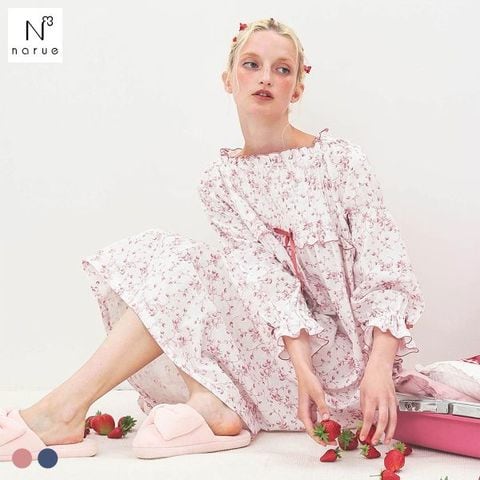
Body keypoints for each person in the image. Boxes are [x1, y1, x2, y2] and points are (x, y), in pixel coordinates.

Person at [1, 17, 425, 461]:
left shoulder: (339, 161)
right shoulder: (220, 182)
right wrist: (301, 368)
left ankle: (64, 412)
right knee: (161, 254)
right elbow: (266, 287)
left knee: (187, 263)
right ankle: (206, 404)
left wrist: (378, 367)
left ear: (297, 88)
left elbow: (386, 269)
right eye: (252, 64)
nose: (265, 77)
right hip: (288, 368)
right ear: (229, 79)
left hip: (349, 374)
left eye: (282, 69)